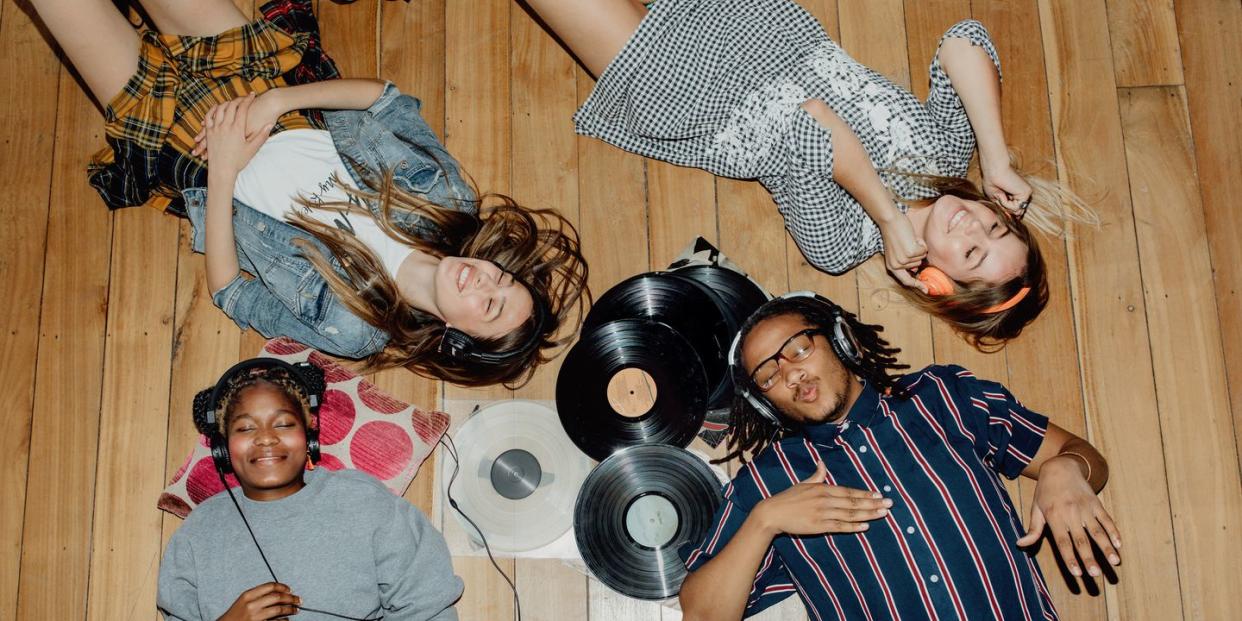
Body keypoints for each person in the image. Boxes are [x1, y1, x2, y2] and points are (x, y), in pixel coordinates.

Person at [29, 0, 589, 387]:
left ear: (459, 340)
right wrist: (276, 102)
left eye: (488, 304)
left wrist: (222, 173)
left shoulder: (353, 329)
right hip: (255, 76)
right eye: (502, 278)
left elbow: (230, 293)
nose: (484, 279)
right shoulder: (447, 198)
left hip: (188, 145)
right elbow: (385, 100)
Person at [520, 0, 1096, 348]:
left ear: (937, 283)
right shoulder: (946, 158)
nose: (973, 226)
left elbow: (809, 124)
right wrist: (995, 157)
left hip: (695, 92)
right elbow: (963, 41)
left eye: (971, 253)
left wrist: (889, 217)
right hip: (756, 23)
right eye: (996, 229)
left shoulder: (841, 243)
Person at [677, 293, 1120, 620]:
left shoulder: (946, 397)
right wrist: (764, 522)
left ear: (841, 341)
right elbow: (702, 614)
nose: (790, 372)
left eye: (798, 348)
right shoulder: (767, 483)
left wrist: (1065, 467)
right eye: (768, 375)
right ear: (764, 403)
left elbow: (1084, 458)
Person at [159, 359, 463, 620]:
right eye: (246, 428)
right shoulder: (198, 534)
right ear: (223, 448)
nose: (265, 438)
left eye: (283, 424)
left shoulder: (363, 502)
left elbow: (429, 605)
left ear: (309, 434)